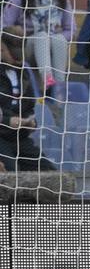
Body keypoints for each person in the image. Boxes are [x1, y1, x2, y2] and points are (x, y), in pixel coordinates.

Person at [1, 0, 76, 91]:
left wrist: (52, 38)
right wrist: (16, 31)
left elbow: (70, 29)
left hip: (53, 46)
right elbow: (4, 26)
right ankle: (47, 81)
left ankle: (60, 86)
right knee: (41, 36)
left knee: (59, 38)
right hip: (26, 48)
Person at [0, 33, 55, 172]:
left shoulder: (23, 73)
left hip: (19, 138)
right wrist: (7, 121)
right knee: (11, 173)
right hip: (1, 138)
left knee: (50, 172)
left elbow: (28, 105)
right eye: (11, 51)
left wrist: (30, 122)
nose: (17, 56)